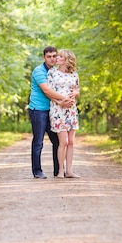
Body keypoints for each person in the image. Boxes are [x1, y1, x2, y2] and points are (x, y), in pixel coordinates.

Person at [28, 46, 73, 179]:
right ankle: (37, 171)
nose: (52, 59)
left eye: (55, 56)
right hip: (39, 110)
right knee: (38, 141)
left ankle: (58, 170)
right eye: (49, 56)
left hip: (54, 110)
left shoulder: (57, 71)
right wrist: (62, 100)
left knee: (58, 141)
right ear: (44, 57)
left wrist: (67, 98)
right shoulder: (39, 71)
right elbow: (47, 91)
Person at [48, 49, 80, 178]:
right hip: (58, 110)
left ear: (67, 60)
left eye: (60, 56)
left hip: (71, 110)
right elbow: (49, 92)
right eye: (58, 56)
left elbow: (77, 89)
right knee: (64, 142)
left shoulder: (74, 74)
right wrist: (60, 102)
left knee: (71, 141)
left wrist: (76, 93)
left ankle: (69, 170)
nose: (57, 58)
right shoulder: (52, 73)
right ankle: (60, 170)